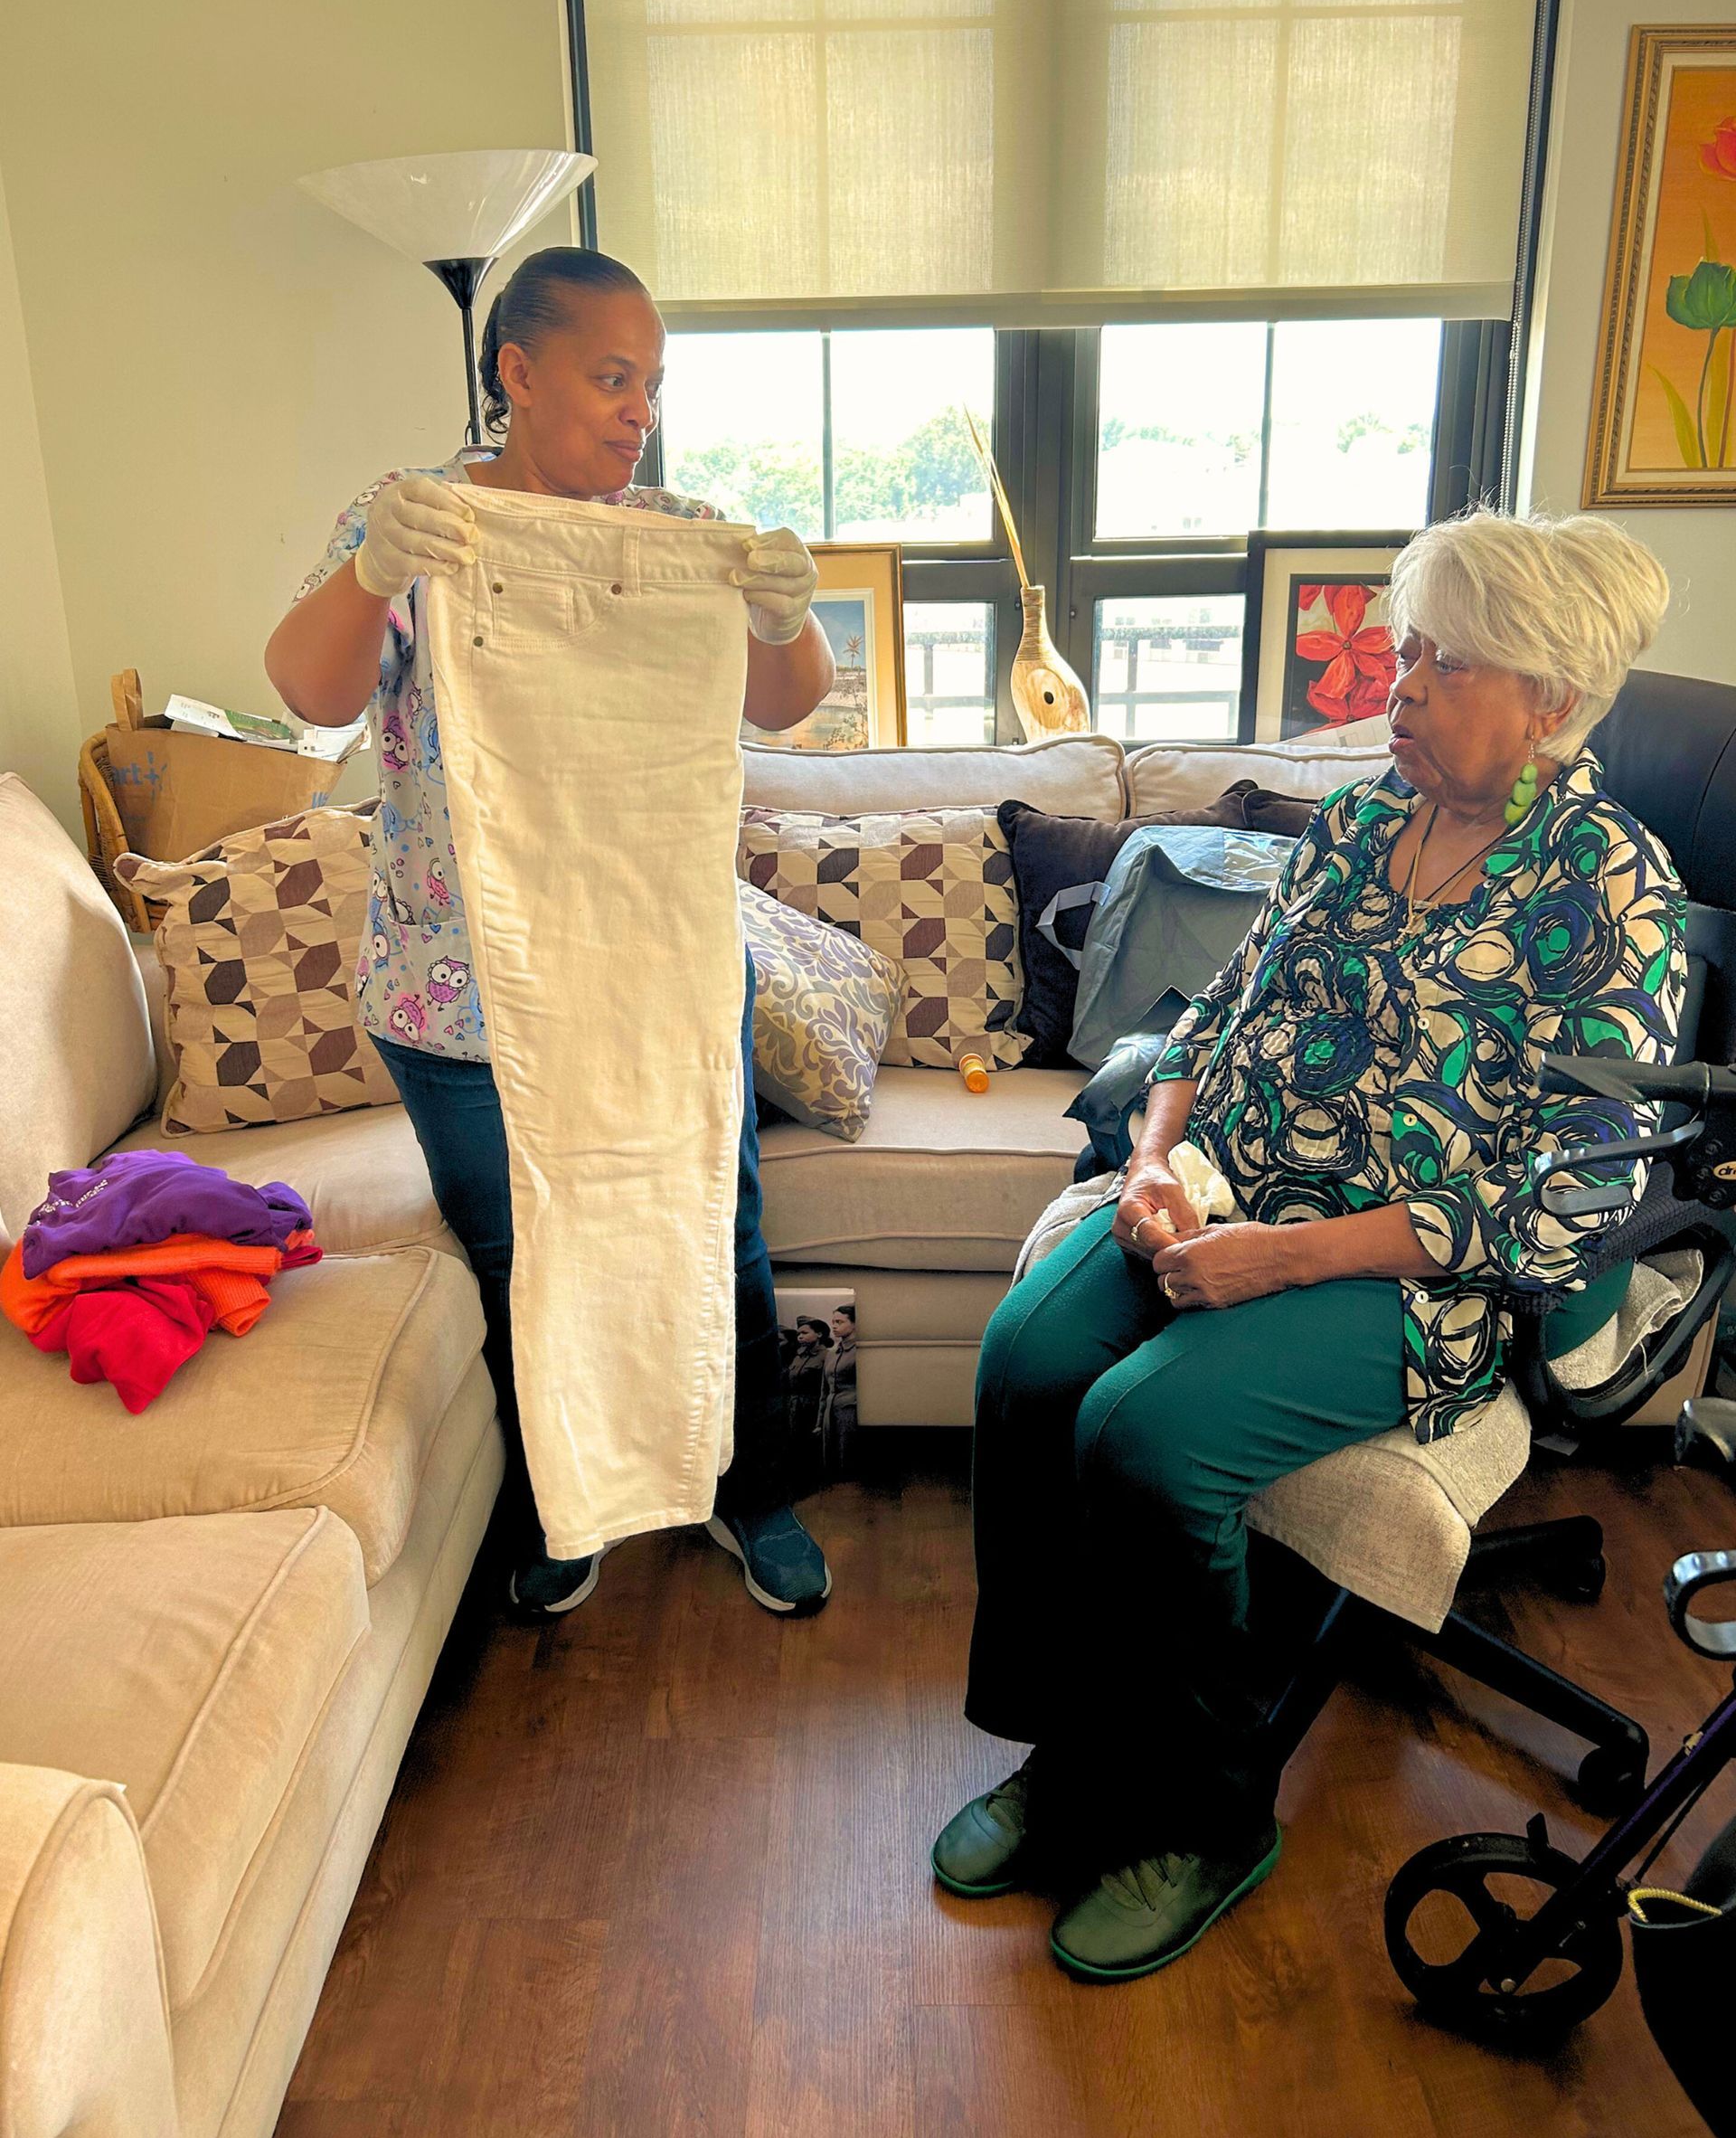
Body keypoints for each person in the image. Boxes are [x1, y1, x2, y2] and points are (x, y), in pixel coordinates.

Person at [933, 510, 1687, 1981]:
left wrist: (1280, 1259)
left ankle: (1207, 1818)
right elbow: (1210, 1020)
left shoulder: (1609, 891)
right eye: (1403, 652)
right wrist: (1154, 1164)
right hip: (1227, 1186)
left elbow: (1573, 1200)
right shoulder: (1353, 830)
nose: (1399, 690)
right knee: (1027, 1358)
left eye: (1445, 663)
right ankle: (1073, 1756)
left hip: (1411, 1278)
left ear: (1549, 699)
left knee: (1145, 1435)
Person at [265, 245, 835, 1620]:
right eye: (612, 376)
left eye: (652, 384)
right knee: (529, 1251)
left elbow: (787, 706)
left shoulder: (679, 528)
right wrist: (369, 570)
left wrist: (783, 609)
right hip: (458, 993)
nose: (639, 410)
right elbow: (309, 693)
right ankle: (565, 1503)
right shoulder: (417, 524)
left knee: (713, 1227)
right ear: (518, 372)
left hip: (654, 975)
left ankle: (741, 1488)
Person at [816, 1303, 858, 1476]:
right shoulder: (832, 1353)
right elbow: (824, 1390)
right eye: (833, 1322)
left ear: (854, 1324)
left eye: (839, 1322)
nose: (834, 1326)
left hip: (851, 1410)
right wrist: (819, 1421)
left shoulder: (859, 1352)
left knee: (848, 1458)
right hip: (830, 1412)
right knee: (831, 1459)